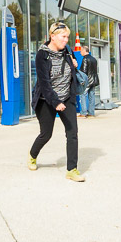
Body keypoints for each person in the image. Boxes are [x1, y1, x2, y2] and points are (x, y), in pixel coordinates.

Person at [29, 21, 84, 181]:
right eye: (63, 36)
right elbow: (44, 83)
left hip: (67, 97)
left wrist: (74, 65)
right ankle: (32, 155)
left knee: (72, 133)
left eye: (68, 37)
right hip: (46, 99)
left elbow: (71, 71)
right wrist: (55, 102)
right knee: (46, 134)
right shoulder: (42, 55)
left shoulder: (67, 50)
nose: (66, 40)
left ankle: (72, 170)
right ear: (53, 36)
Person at [79, 51, 100, 118]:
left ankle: (83, 112)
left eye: (81, 51)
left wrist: (81, 79)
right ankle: (91, 113)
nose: (80, 53)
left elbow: (84, 71)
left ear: (84, 51)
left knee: (83, 95)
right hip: (93, 80)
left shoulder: (85, 59)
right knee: (92, 96)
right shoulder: (94, 59)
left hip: (87, 81)